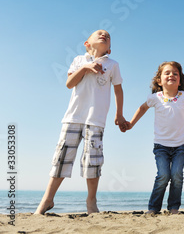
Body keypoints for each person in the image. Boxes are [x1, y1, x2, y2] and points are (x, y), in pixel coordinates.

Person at [35, 30, 127, 215]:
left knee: (93, 162)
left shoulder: (113, 64)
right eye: (99, 33)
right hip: (72, 117)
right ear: (87, 43)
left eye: (107, 36)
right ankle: (47, 199)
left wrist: (119, 114)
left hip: (96, 120)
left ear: (110, 48)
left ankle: (91, 201)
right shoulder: (79, 60)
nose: (103, 34)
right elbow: (69, 83)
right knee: (61, 158)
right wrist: (85, 68)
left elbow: (118, 90)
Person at [127, 61, 184, 214]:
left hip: (180, 146)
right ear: (159, 80)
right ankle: (153, 209)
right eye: (167, 73)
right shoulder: (155, 98)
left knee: (177, 175)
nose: (171, 75)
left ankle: (173, 208)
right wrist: (131, 123)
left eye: (175, 73)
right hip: (161, 146)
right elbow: (142, 108)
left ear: (180, 80)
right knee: (163, 175)